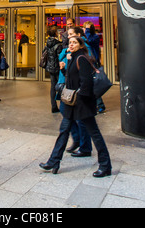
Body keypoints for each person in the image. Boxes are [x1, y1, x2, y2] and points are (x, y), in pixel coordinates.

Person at [40, 35, 112, 178]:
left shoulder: (82, 59)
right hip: (72, 104)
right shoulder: (72, 58)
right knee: (63, 131)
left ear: (81, 45)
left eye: (74, 42)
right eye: (70, 42)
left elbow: (86, 83)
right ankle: (54, 161)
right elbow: (72, 79)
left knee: (95, 134)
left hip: (82, 105)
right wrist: (63, 70)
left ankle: (105, 165)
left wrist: (79, 99)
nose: (71, 45)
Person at [59, 27, 92, 157]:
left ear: (79, 37)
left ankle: (84, 146)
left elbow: (84, 76)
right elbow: (62, 61)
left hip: (78, 93)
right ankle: (78, 141)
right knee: (66, 114)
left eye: (73, 37)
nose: (70, 41)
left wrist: (82, 95)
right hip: (68, 88)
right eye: (69, 38)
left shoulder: (82, 54)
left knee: (84, 122)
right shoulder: (70, 52)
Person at [83, 21, 106, 113]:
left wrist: (87, 30)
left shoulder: (94, 37)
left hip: (93, 63)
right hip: (87, 62)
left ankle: (100, 105)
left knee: (94, 84)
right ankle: (94, 104)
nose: (85, 30)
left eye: (86, 28)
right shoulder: (85, 37)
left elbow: (89, 40)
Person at [45, 26, 63, 113]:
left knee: (53, 87)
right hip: (57, 68)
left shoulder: (47, 43)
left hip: (50, 67)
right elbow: (60, 57)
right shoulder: (58, 44)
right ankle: (63, 105)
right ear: (56, 33)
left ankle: (54, 106)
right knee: (61, 86)